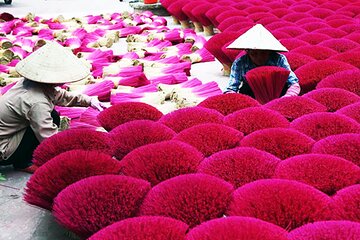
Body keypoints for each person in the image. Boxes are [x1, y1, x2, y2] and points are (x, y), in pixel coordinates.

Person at [0, 41, 106, 173]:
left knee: (53, 115)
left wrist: (89, 100)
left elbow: (61, 96)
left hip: (8, 134)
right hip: (3, 149)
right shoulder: (37, 102)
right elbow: (48, 137)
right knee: (47, 119)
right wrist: (74, 156)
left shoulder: (31, 83)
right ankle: (22, 162)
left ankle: (23, 156)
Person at [224, 24, 300, 97]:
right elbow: (231, 88)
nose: (259, 57)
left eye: (263, 53)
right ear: (247, 51)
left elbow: (294, 83)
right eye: (254, 54)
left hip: (279, 93)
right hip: (251, 94)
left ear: (269, 51)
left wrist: (286, 97)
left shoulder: (279, 59)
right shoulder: (240, 63)